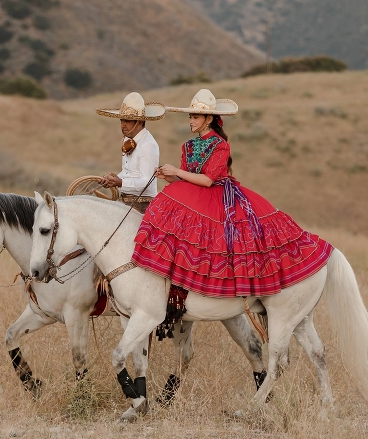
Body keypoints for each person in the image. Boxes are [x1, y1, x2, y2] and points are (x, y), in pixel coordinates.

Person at [132, 89, 333, 298]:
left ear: (209, 119)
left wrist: (177, 171)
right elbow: (186, 181)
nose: (191, 121)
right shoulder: (188, 146)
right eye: (190, 116)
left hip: (216, 196)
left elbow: (207, 180)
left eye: (195, 117)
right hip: (194, 195)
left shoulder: (221, 145)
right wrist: (169, 176)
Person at [96, 92, 164, 214]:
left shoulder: (148, 145)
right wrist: (112, 180)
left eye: (127, 121)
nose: (122, 125)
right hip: (125, 202)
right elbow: (129, 172)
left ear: (139, 122)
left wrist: (120, 182)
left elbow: (146, 182)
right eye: (121, 120)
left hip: (142, 205)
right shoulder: (128, 140)